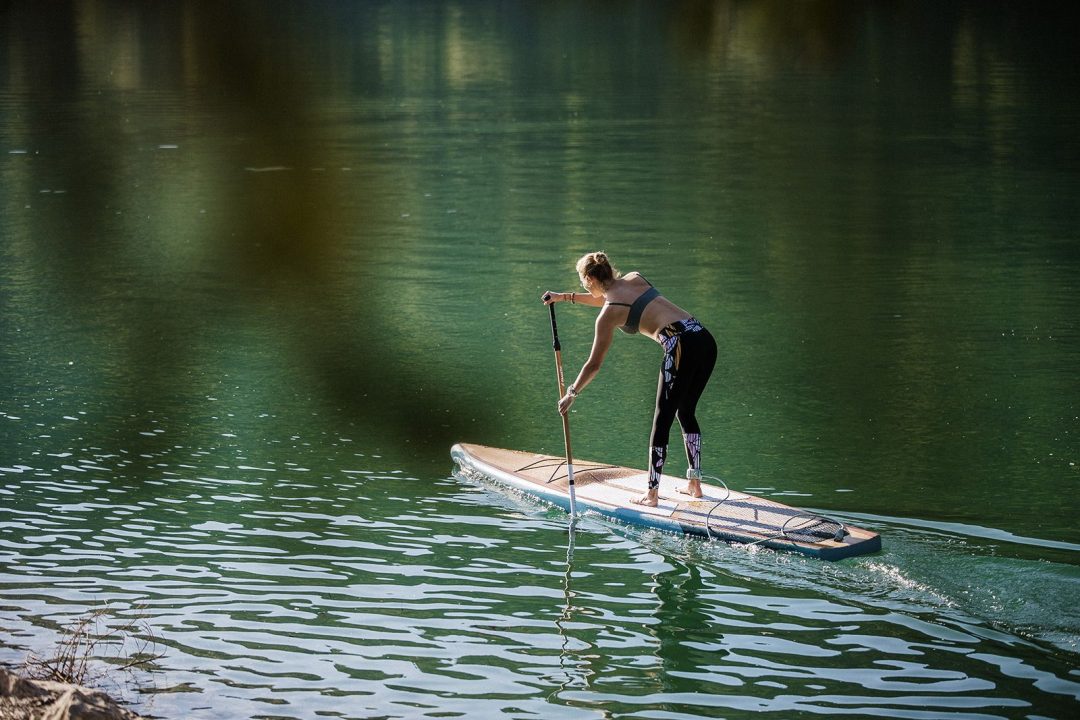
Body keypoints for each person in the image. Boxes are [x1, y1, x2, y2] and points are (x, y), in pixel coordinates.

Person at [541, 251, 717, 506]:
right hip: (703, 337)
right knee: (686, 411)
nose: (581, 284)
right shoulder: (635, 279)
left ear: (590, 278)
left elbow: (594, 364)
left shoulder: (608, 315)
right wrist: (564, 297)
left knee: (662, 418)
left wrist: (572, 392)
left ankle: (652, 494)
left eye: (581, 279)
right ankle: (694, 484)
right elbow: (610, 299)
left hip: (680, 345)